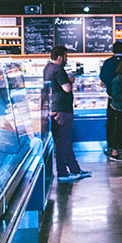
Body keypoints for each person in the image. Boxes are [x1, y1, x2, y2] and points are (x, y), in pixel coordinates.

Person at [43, 46, 91, 183]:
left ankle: (75, 169)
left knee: (65, 141)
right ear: (59, 57)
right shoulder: (58, 69)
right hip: (62, 110)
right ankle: (62, 173)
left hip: (53, 107)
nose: (66, 59)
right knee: (63, 142)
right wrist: (70, 80)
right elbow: (67, 89)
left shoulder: (47, 68)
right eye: (65, 56)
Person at [100, 41, 122, 155]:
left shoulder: (108, 63)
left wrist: (109, 86)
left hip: (112, 98)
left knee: (112, 122)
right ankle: (121, 147)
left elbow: (102, 76)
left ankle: (111, 147)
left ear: (113, 50)